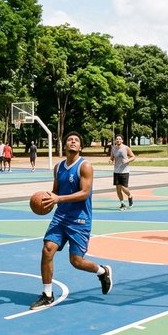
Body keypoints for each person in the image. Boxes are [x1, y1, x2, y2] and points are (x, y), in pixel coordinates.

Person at [30, 131, 113, 310]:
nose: (73, 142)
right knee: (47, 250)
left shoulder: (85, 166)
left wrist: (59, 199)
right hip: (60, 217)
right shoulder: (58, 167)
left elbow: (84, 193)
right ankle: (47, 294)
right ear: (65, 145)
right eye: (70, 140)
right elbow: (55, 192)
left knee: (76, 261)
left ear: (80, 147)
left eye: (76, 140)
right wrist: (46, 200)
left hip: (79, 219)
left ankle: (102, 271)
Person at [109, 134, 135, 210]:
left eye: (120, 139)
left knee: (124, 188)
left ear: (122, 140)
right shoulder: (113, 148)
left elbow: (133, 157)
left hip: (125, 171)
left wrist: (127, 160)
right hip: (116, 171)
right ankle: (122, 204)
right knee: (118, 188)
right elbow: (112, 158)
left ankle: (130, 196)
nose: (118, 140)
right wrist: (110, 160)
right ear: (115, 140)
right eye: (117, 139)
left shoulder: (126, 148)